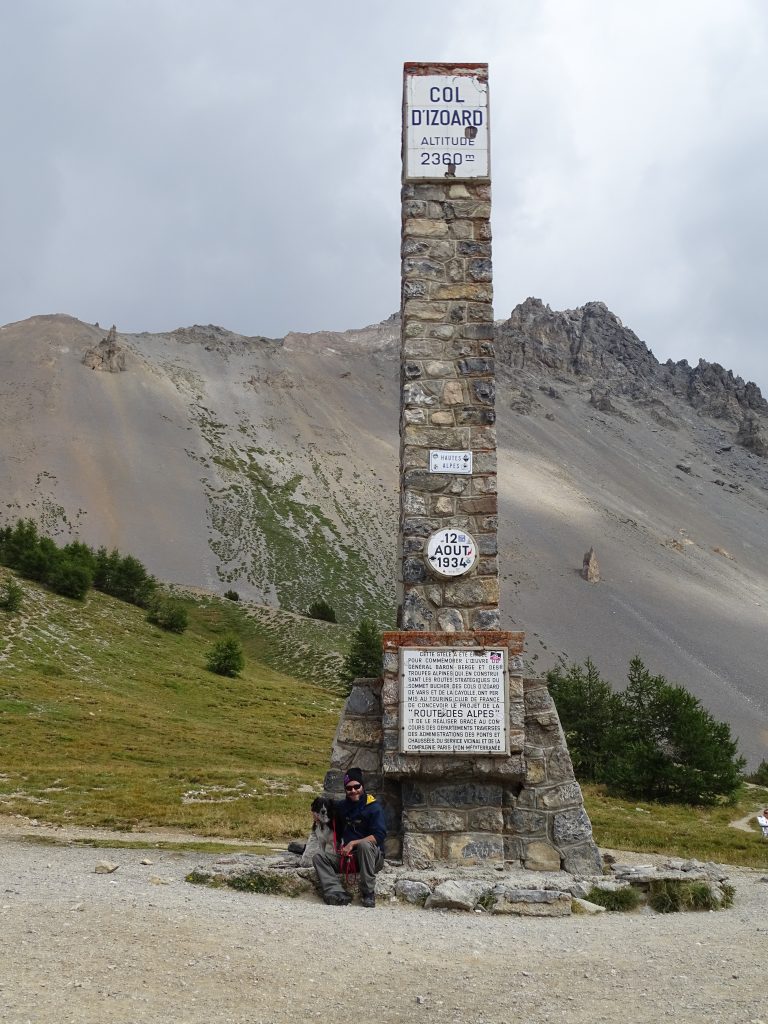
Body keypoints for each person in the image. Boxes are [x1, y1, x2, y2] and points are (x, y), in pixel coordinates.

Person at [313, 768, 386, 907]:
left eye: (356, 786)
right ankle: (336, 892)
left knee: (364, 845)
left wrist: (352, 843)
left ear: (362, 786)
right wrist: (315, 813)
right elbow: (324, 807)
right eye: (349, 788)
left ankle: (368, 893)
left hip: (372, 857)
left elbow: (379, 836)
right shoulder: (341, 806)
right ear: (345, 790)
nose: (353, 790)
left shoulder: (374, 807)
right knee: (318, 857)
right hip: (348, 859)